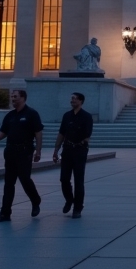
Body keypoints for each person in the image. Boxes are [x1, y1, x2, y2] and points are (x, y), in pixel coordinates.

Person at [0, 89, 44, 222]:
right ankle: (5, 213)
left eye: (15, 97)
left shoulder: (31, 114)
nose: (13, 99)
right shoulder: (10, 116)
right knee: (9, 183)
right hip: (11, 152)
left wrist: (38, 151)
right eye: (12, 97)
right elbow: (3, 132)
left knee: (25, 179)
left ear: (23, 98)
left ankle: (35, 200)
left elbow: (38, 133)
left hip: (25, 152)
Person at [51, 91, 93, 219]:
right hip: (67, 150)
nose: (72, 101)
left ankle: (78, 208)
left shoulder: (86, 116)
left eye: (74, 99)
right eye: (71, 99)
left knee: (78, 181)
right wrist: (56, 150)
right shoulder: (67, 116)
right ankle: (69, 199)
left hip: (79, 151)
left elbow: (88, 135)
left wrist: (81, 144)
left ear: (81, 101)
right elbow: (61, 133)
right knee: (64, 179)